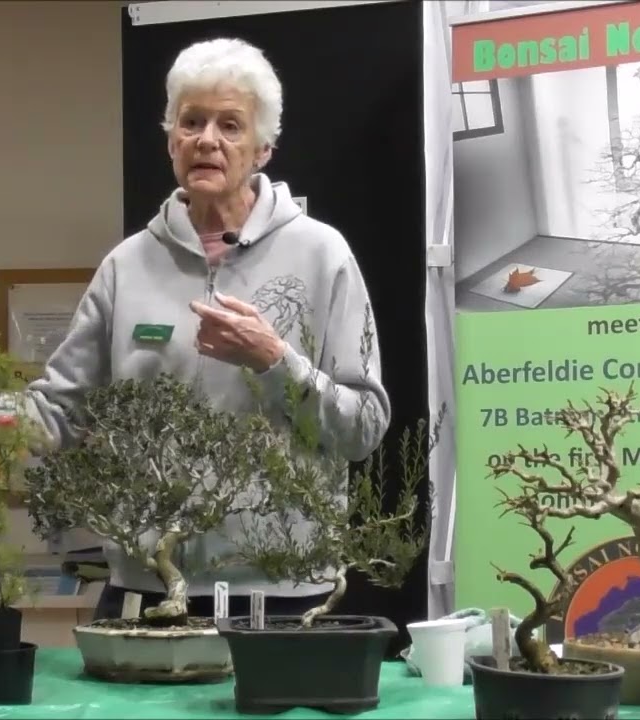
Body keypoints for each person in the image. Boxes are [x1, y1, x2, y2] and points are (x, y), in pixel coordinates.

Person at [23, 38, 391, 619]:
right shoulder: (126, 266)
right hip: (145, 589)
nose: (207, 140)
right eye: (191, 121)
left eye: (230, 125)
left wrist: (276, 363)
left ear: (264, 147)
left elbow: (364, 429)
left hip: (281, 592)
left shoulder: (323, 256)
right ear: (171, 139)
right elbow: (60, 411)